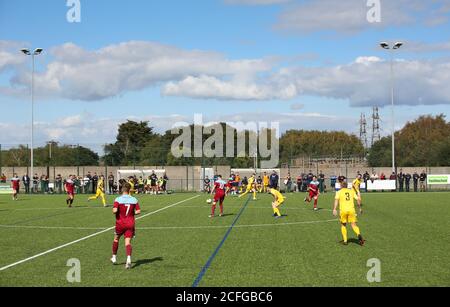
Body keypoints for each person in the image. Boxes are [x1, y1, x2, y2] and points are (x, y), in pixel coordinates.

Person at [111, 183, 141, 269]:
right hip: (130, 223)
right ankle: (128, 259)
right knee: (127, 242)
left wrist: (115, 210)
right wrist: (132, 213)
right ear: (129, 190)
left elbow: (114, 210)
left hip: (120, 223)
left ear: (122, 190)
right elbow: (138, 211)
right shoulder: (134, 199)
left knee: (116, 239)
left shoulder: (118, 199)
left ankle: (114, 257)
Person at [333, 177, 365, 246]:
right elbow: (358, 200)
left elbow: (336, 201)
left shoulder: (338, 192)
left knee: (343, 225)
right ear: (347, 186)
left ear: (341, 186)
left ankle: (345, 241)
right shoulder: (351, 191)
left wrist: (334, 209)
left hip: (343, 210)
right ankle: (358, 234)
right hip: (351, 210)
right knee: (353, 225)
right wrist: (360, 208)